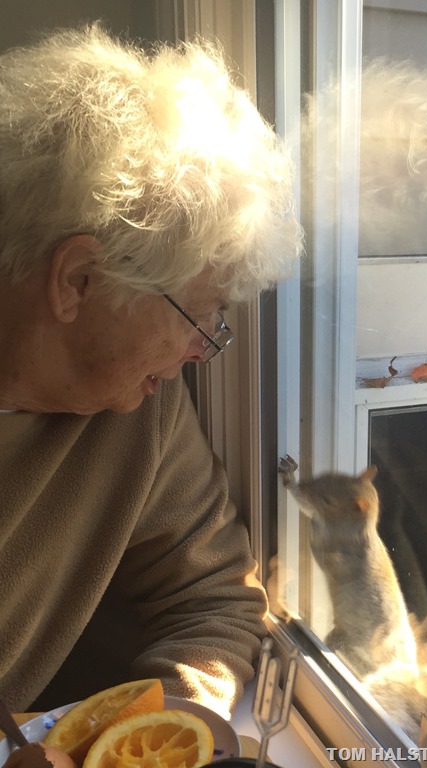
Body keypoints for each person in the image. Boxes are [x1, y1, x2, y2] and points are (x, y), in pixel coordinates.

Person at [0, 24, 302, 719]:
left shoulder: (136, 407)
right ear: (78, 279)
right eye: (202, 314)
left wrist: (156, 729)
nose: (202, 350)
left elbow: (214, 599)